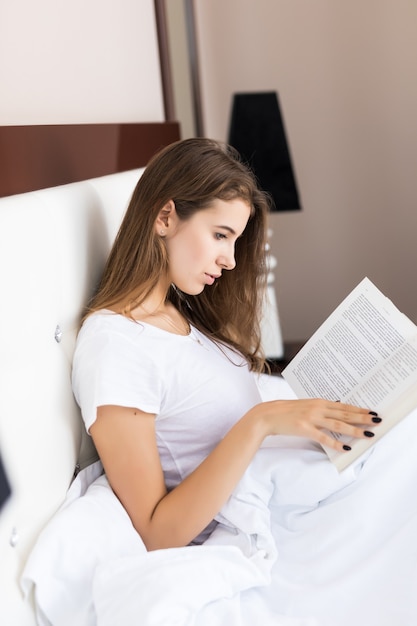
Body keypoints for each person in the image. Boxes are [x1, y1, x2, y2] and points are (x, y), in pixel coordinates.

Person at [71, 137, 380, 552]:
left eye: (234, 240)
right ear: (165, 216)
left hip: (294, 488)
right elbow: (156, 532)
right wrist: (260, 422)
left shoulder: (177, 312)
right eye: (220, 235)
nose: (231, 260)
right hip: (267, 522)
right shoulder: (115, 346)